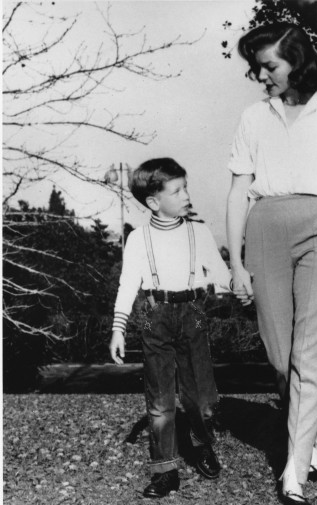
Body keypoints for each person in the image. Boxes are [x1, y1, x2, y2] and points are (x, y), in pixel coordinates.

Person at [226, 23, 317, 505]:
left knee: (311, 353)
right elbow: (239, 190)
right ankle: (309, 434)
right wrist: (238, 263)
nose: (261, 76)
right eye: (256, 67)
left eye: (270, 66)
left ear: (298, 62)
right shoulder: (252, 117)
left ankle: (294, 470)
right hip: (265, 228)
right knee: (280, 355)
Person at [109, 158, 231, 498]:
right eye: (177, 190)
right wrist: (118, 328)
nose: (186, 194)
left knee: (203, 399)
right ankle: (165, 471)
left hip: (192, 313)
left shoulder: (200, 231)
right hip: (155, 316)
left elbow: (220, 274)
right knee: (160, 402)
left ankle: (201, 443)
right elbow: (127, 285)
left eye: (185, 186)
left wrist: (240, 285)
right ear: (154, 202)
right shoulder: (139, 239)